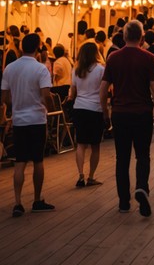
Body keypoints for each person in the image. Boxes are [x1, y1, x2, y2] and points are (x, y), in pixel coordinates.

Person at [100, 20, 154, 217]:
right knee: (142, 155)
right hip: (142, 113)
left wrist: (105, 112)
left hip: (120, 113)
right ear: (142, 37)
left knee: (122, 158)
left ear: (124, 37)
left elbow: (103, 88)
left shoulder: (113, 57)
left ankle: (123, 201)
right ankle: (141, 188)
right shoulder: (149, 58)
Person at [1, 33, 55, 217]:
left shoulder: (10, 68)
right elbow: (46, 95)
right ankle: (37, 199)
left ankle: (17, 202)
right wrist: (49, 108)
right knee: (38, 160)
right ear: (38, 48)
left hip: (19, 119)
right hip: (37, 119)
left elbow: (5, 96)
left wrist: (13, 105)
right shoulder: (41, 69)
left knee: (20, 162)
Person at [67, 42, 105, 188]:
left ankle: (80, 175)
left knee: (81, 144)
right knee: (95, 146)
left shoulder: (76, 70)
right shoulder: (100, 70)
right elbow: (103, 92)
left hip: (79, 108)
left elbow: (72, 93)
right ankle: (91, 177)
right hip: (95, 109)